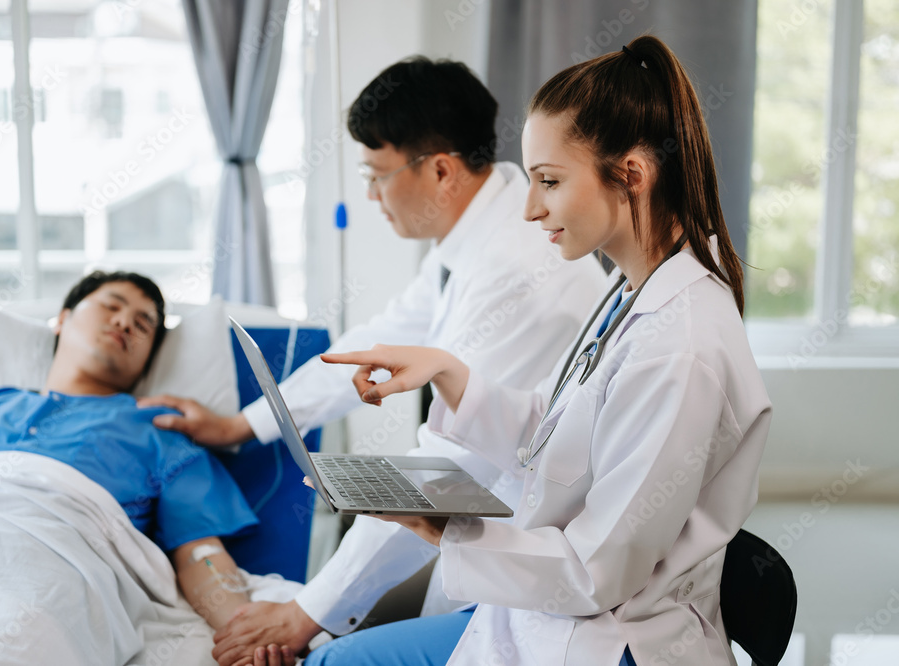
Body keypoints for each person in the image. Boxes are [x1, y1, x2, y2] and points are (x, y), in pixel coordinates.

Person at [304, 35, 773, 666]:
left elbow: (595, 572)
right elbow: (559, 443)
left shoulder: (678, 348)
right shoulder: (630, 292)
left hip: (606, 642)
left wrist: (447, 529)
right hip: (552, 618)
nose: (529, 210)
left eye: (548, 182)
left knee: (336, 661)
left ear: (631, 175)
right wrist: (451, 375)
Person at [139, 57, 607, 662]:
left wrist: (306, 614)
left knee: (336, 651)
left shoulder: (515, 272)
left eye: (376, 174)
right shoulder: (475, 234)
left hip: (545, 560)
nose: (370, 194)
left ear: (440, 170)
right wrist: (243, 425)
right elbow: (382, 337)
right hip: (500, 533)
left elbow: (446, 474)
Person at [0, 271, 293, 665]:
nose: (125, 322)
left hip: (50, 568)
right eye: (112, 305)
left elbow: (200, 554)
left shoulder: (162, 432)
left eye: (143, 325)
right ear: (63, 318)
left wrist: (243, 633)